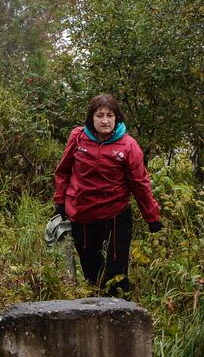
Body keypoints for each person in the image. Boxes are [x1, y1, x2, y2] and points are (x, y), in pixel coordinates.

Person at [51, 93, 163, 294]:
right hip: (81, 215)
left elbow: (140, 184)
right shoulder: (78, 138)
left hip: (115, 216)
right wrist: (60, 202)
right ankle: (93, 318)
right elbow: (63, 171)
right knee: (91, 275)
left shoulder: (128, 145)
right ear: (91, 119)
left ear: (116, 118)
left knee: (116, 276)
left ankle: (120, 318)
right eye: (99, 115)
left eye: (109, 115)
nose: (105, 121)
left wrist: (152, 218)